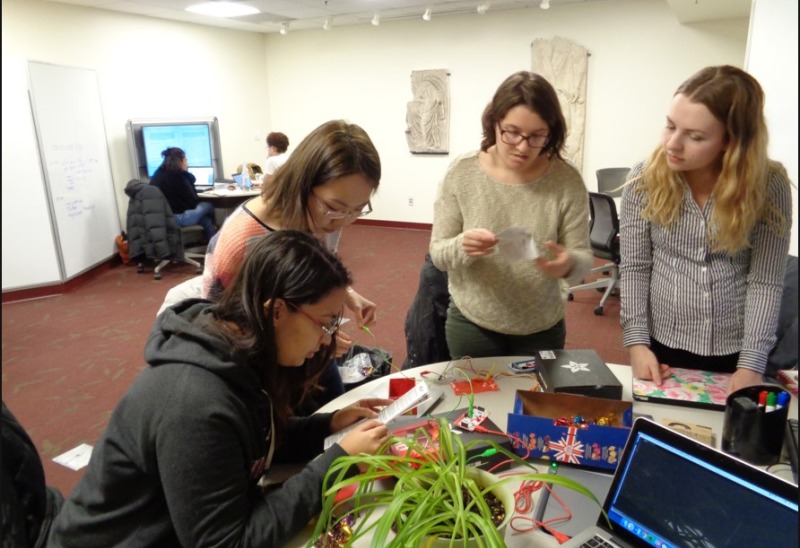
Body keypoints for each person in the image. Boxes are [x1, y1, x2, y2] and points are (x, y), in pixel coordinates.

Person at [47, 230, 392, 547]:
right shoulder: (194, 405)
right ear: (276, 311)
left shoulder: (243, 352)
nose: (327, 338)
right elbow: (225, 542)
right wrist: (337, 462)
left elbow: (249, 442)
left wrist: (326, 426)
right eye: (326, 322)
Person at [619, 65, 792, 394]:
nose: (672, 143)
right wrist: (636, 343)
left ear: (731, 141)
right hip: (663, 341)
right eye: (670, 126)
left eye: (695, 136)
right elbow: (635, 267)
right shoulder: (645, 178)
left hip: (736, 347)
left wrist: (752, 363)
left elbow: (766, 281)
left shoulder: (769, 184)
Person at [202, 119, 381, 410]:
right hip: (261, 369)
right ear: (304, 183)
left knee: (336, 411)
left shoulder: (319, 216)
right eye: (335, 208)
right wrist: (314, 336)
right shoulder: (242, 241)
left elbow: (317, 275)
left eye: (357, 210)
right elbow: (222, 335)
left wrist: (348, 296)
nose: (343, 221)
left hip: (306, 347)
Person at [429, 71, 592, 358]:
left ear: (551, 132)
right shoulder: (463, 173)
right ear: (494, 123)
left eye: (537, 136)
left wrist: (569, 265)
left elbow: (583, 258)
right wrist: (462, 245)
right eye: (512, 132)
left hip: (541, 325)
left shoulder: (565, 181)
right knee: (475, 402)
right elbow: (439, 254)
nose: (522, 146)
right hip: (473, 320)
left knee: (534, 403)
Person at [149, 147, 216, 241]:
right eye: (186, 160)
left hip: (162, 219)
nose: (187, 164)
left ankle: (211, 248)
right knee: (208, 205)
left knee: (206, 221)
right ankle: (217, 250)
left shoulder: (158, 174)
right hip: (178, 218)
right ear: (180, 161)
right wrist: (189, 176)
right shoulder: (179, 177)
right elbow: (193, 203)